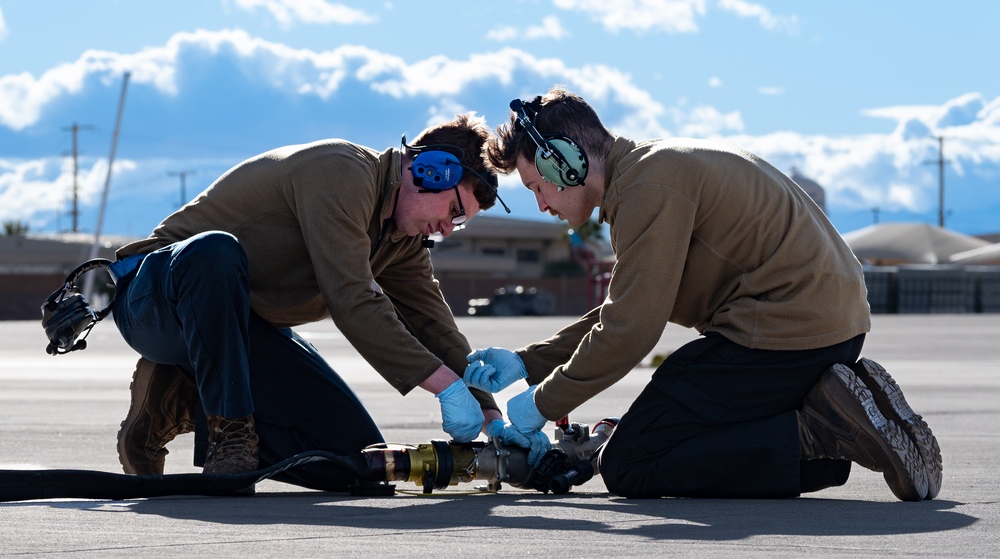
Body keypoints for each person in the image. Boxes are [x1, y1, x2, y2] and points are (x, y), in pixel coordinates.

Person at [464, 87, 943, 501]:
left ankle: (820, 431)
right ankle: (847, 409)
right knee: (680, 428)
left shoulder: (648, 189)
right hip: (823, 330)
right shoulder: (652, 171)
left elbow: (631, 331)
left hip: (783, 336)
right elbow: (629, 307)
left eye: (535, 185)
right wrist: (528, 364)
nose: (541, 203)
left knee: (632, 462)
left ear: (565, 161)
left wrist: (537, 407)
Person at [109, 113, 508, 490]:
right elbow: (352, 298)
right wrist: (446, 388)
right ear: (431, 170)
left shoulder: (401, 239)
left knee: (355, 462)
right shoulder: (343, 170)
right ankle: (228, 433)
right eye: (454, 211)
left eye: (459, 222)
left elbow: (432, 324)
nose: (448, 229)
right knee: (216, 252)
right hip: (158, 301)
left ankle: (174, 402)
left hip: (238, 332)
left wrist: (492, 418)